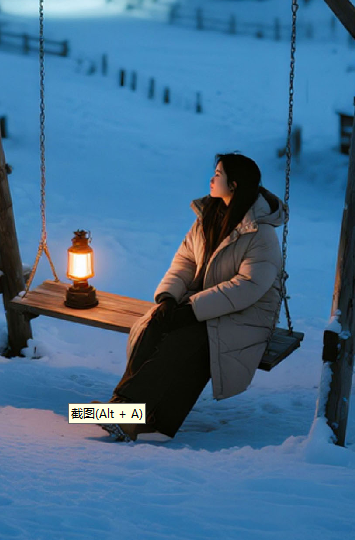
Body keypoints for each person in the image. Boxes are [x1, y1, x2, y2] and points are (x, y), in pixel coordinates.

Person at [101, 152, 286, 442]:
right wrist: (169, 299)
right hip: (203, 305)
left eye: (218, 174)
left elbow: (248, 286)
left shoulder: (260, 233)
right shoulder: (208, 216)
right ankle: (143, 420)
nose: (211, 179)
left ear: (234, 185)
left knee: (187, 339)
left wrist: (192, 309)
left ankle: (121, 413)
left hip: (244, 315)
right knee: (154, 325)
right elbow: (185, 261)